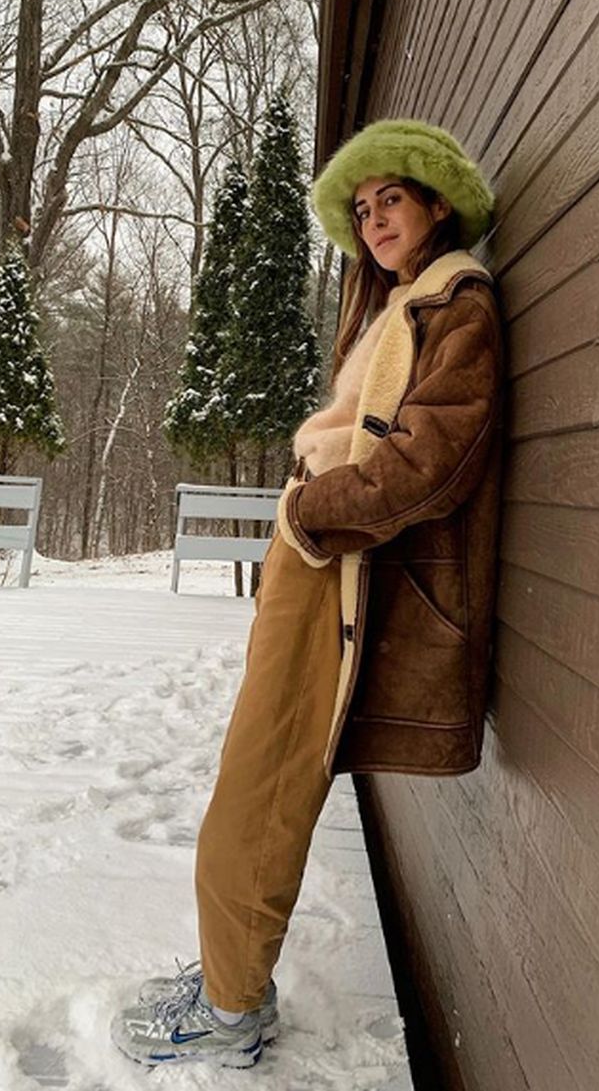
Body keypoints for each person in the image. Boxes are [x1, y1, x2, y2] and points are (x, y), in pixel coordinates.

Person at [110, 118, 503, 1069]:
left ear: (437, 202)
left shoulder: (458, 305)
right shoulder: (401, 303)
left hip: (335, 557)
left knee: (265, 776)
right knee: (254, 766)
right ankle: (229, 975)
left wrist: (307, 514)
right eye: (361, 210)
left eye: (390, 200)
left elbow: (429, 465)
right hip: (317, 549)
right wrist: (303, 518)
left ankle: (230, 1007)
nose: (373, 221)